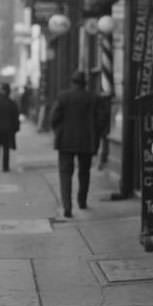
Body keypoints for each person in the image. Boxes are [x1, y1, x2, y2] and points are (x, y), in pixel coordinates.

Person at [50, 70, 99, 218]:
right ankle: (82, 201)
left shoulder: (63, 97)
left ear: (72, 82)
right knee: (84, 172)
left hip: (65, 141)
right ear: (85, 83)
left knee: (65, 174)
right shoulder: (92, 98)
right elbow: (101, 119)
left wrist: (58, 131)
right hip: (86, 141)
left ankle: (67, 206)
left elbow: (53, 117)